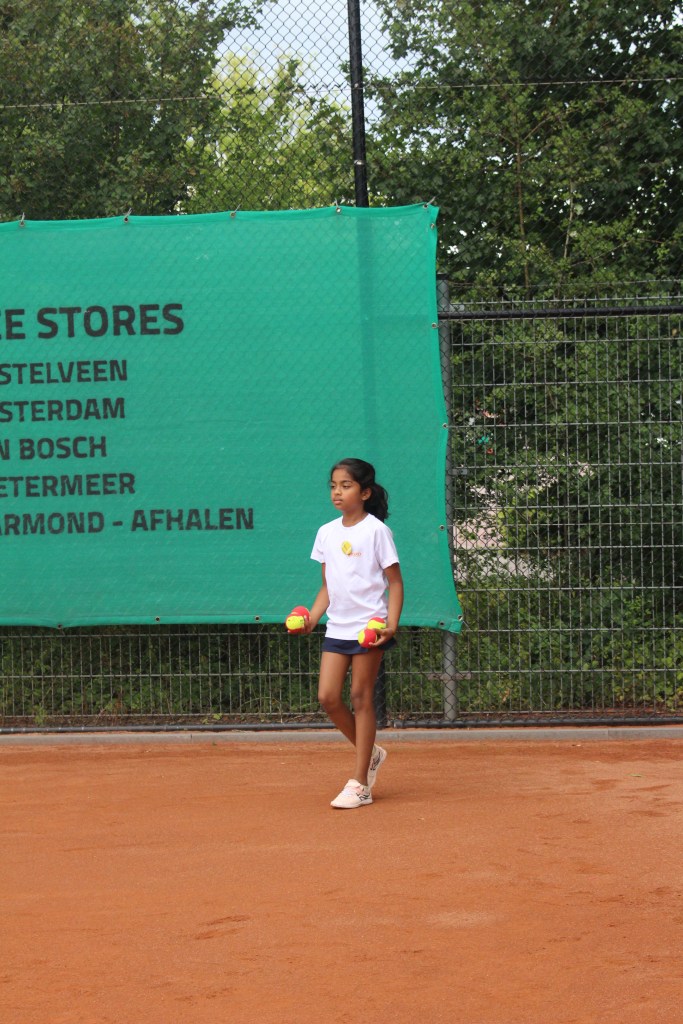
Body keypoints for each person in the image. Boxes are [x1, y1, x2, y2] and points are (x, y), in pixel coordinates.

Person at [304, 458, 404, 809]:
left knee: (361, 698)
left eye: (346, 486)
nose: (337, 492)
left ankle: (361, 783)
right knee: (328, 698)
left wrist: (391, 625)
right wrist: (312, 617)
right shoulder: (326, 532)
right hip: (338, 626)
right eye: (333, 486)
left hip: (369, 628)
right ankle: (371, 753)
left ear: (365, 493)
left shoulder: (377, 531)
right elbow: (327, 587)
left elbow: (395, 583)